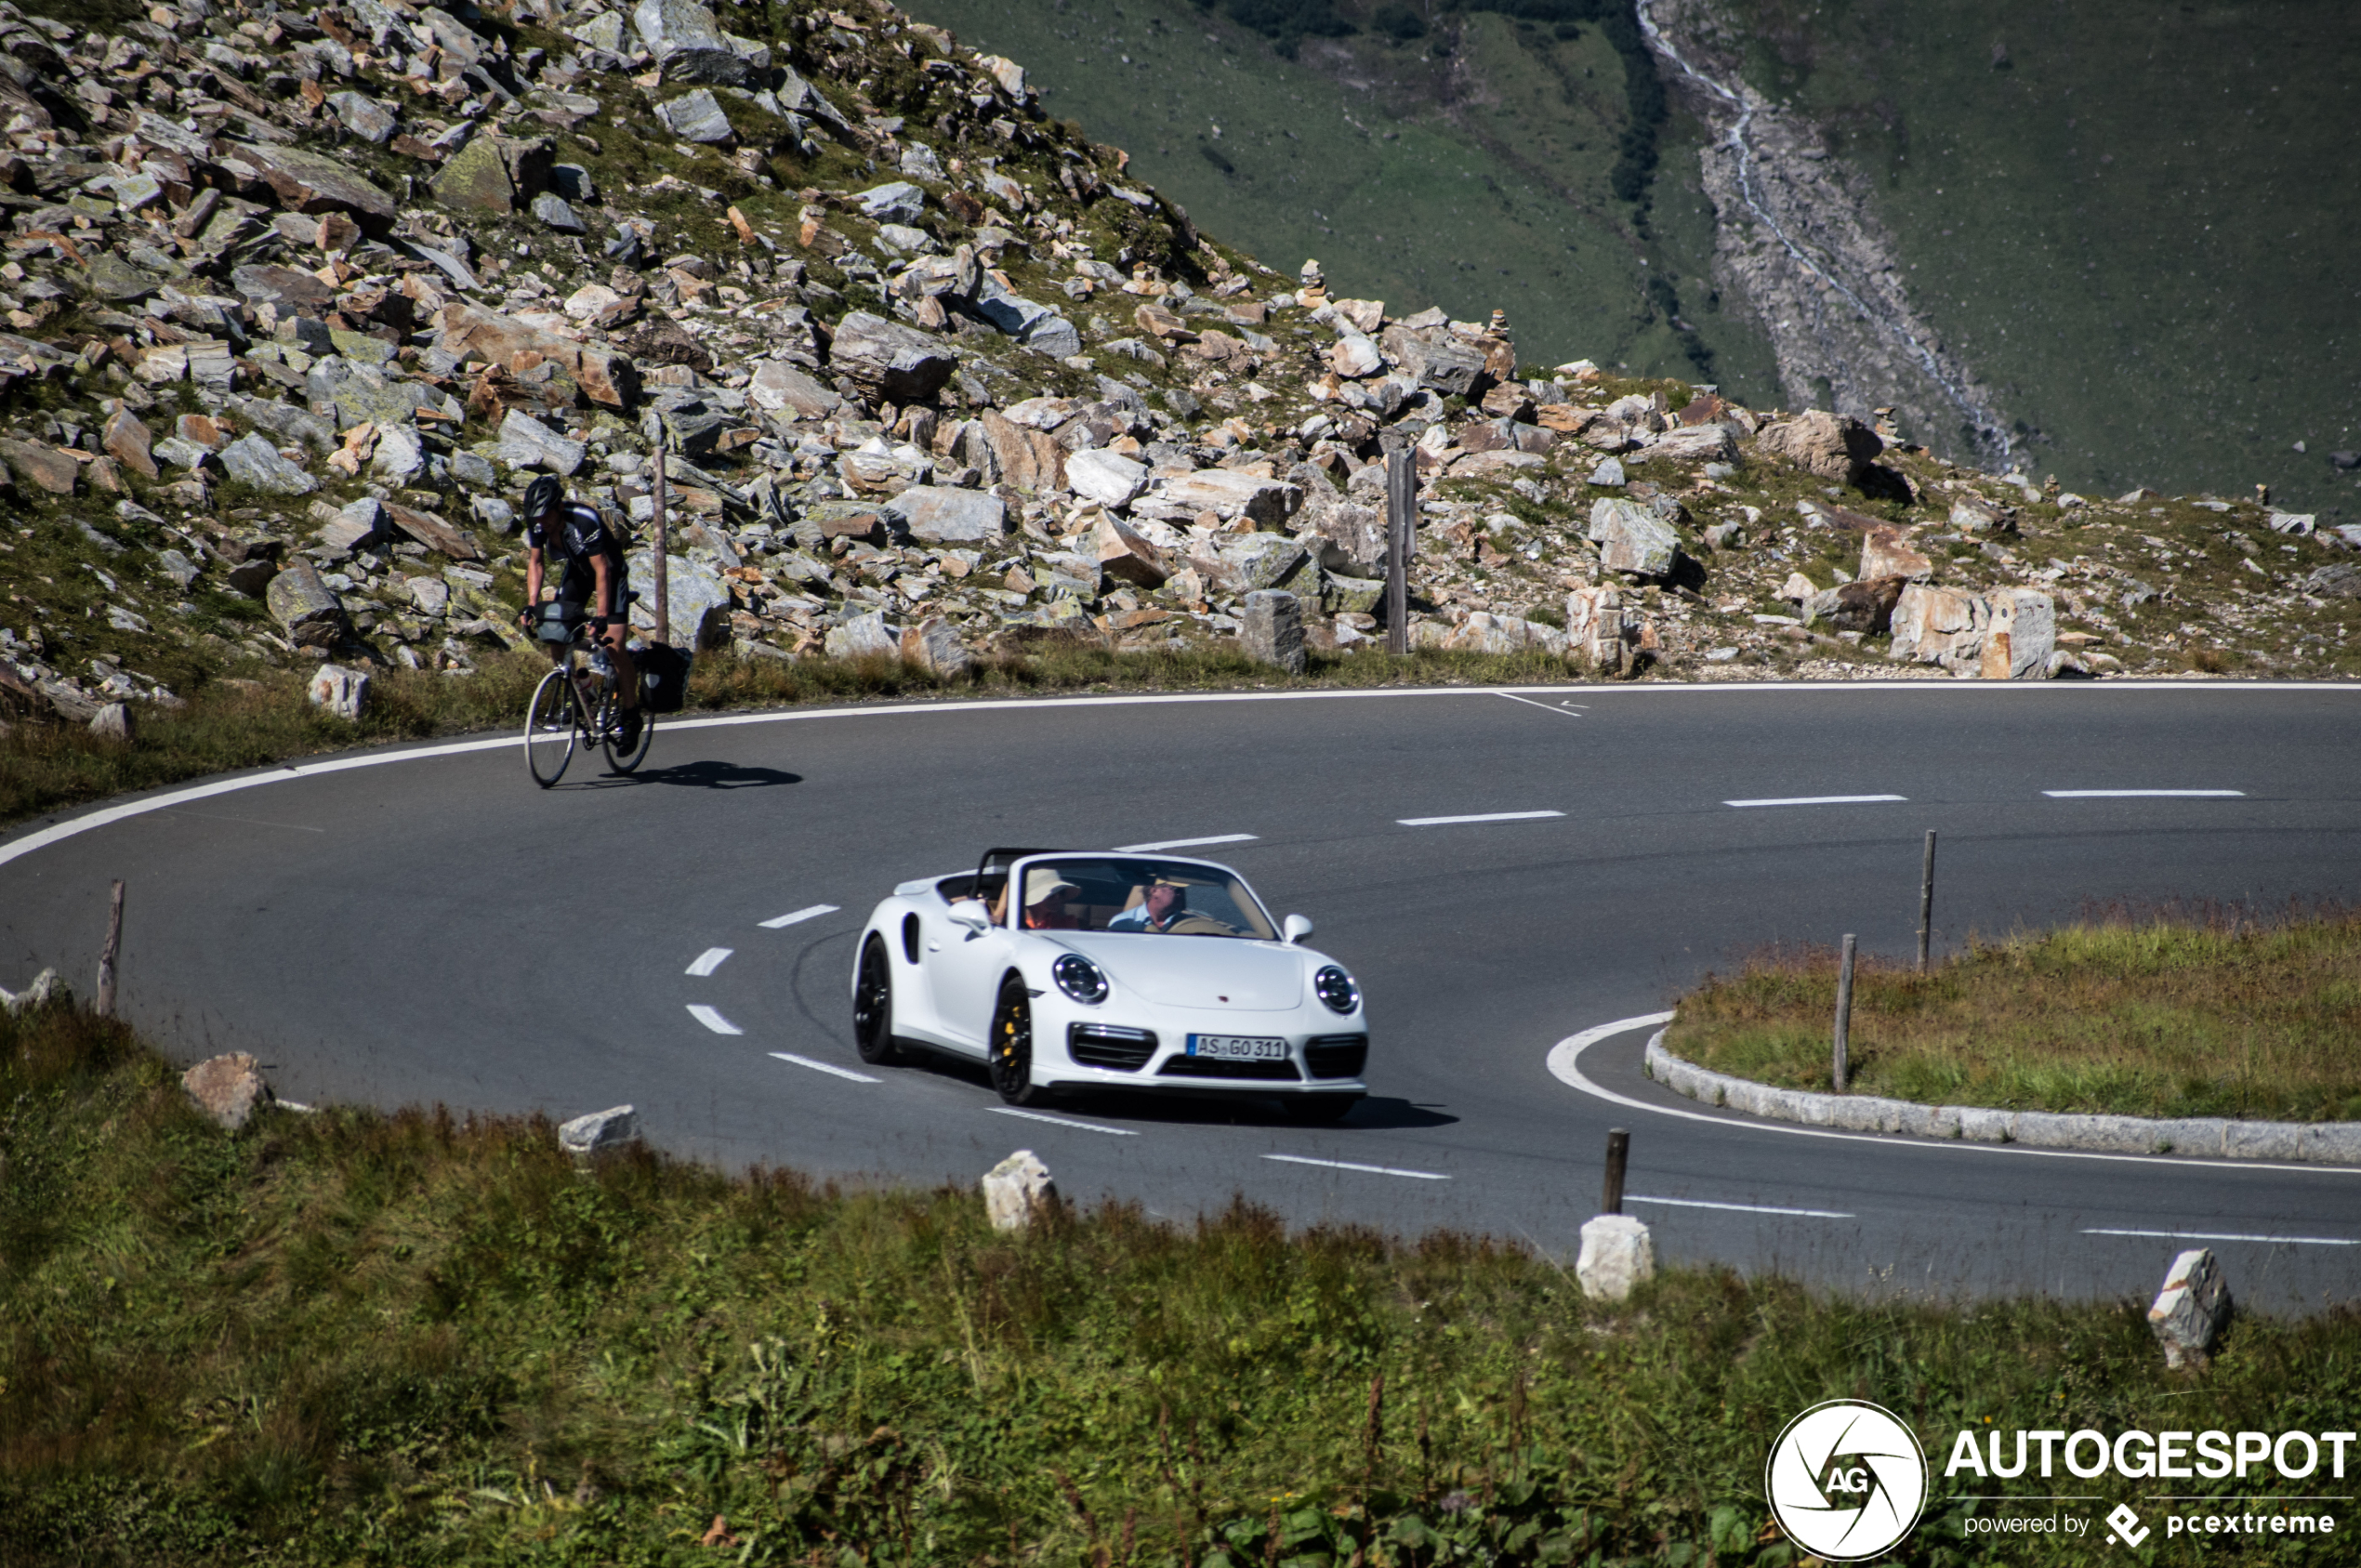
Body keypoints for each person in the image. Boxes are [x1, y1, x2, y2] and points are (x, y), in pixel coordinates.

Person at [517, 475, 640, 748]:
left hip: (610, 572)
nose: (541, 522)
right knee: (556, 636)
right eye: (535, 517)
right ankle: (583, 694)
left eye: (545, 515)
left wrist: (600, 615)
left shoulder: (584, 519)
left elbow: (602, 570)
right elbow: (536, 563)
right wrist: (531, 603)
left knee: (613, 645)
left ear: (559, 507)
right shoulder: (537, 521)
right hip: (577, 571)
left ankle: (632, 715)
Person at [1108, 877, 1184, 932]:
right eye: (1177, 889)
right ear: (1154, 891)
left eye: (1182, 890)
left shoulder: (1188, 922)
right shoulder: (1122, 923)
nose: (1180, 894)